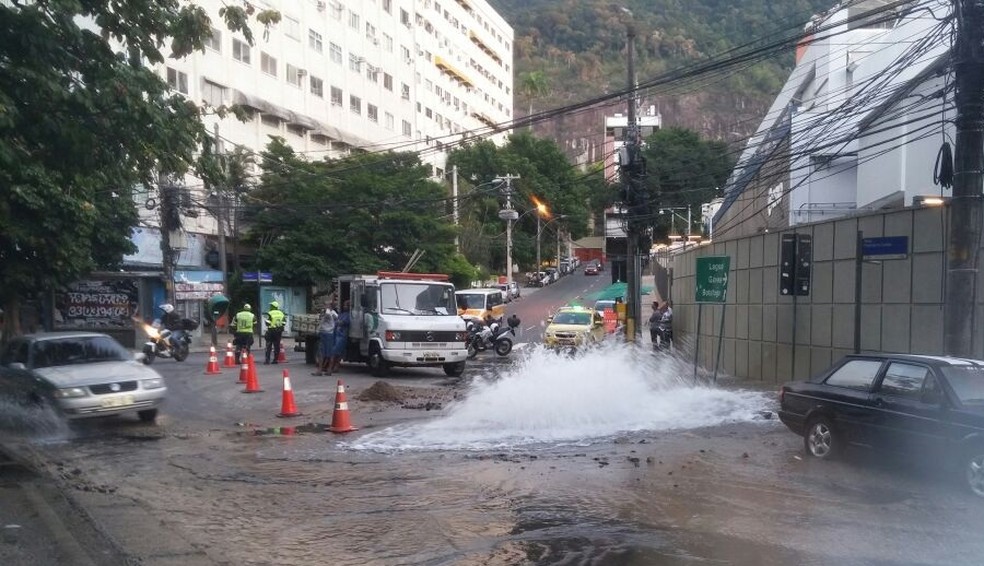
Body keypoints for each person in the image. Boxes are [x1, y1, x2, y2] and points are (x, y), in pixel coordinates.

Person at [314, 300, 338, 376]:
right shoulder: (332, 313)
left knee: (324, 353)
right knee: (326, 352)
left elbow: (328, 313)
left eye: (326, 305)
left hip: (327, 334)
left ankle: (322, 370)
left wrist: (327, 308)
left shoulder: (329, 313)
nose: (324, 306)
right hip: (326, 333)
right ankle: (327, 370)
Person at [330, 300, 351, 373]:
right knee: (336, 352)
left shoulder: (348, 315)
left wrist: (338, 322)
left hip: (342, 336)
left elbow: (343, 322)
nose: (344, 306)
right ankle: (335, 367)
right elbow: (337, 322)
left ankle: (332, 367)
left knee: (335, 352)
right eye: (344, 305)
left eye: (346, 305)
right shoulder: (342, 314)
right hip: (337, 334)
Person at [263, 300, 287, 365]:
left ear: (273, 306)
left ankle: (267, 360)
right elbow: (284, 322)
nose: (270, 306)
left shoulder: (270, 313)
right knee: (277, 345)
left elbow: (267, 322)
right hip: (279, 331)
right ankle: (275, 360)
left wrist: (268, 325)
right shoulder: (281, 313)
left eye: (271, 305)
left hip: (271, 331)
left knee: (268, 345)